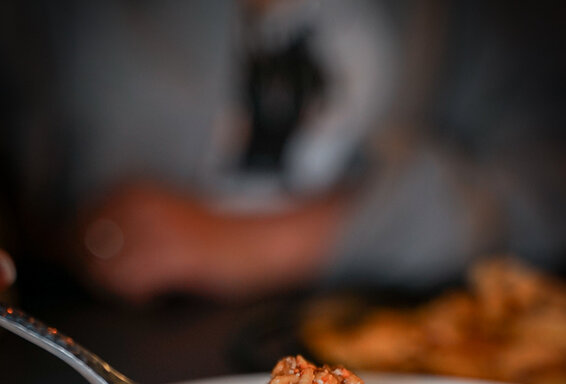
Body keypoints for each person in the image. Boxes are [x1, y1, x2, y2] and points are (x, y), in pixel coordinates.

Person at [1, 0, 565, 303]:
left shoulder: (458, 19)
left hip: (396, 317)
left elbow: (546, 180)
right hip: (98, 333)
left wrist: (270, 243)